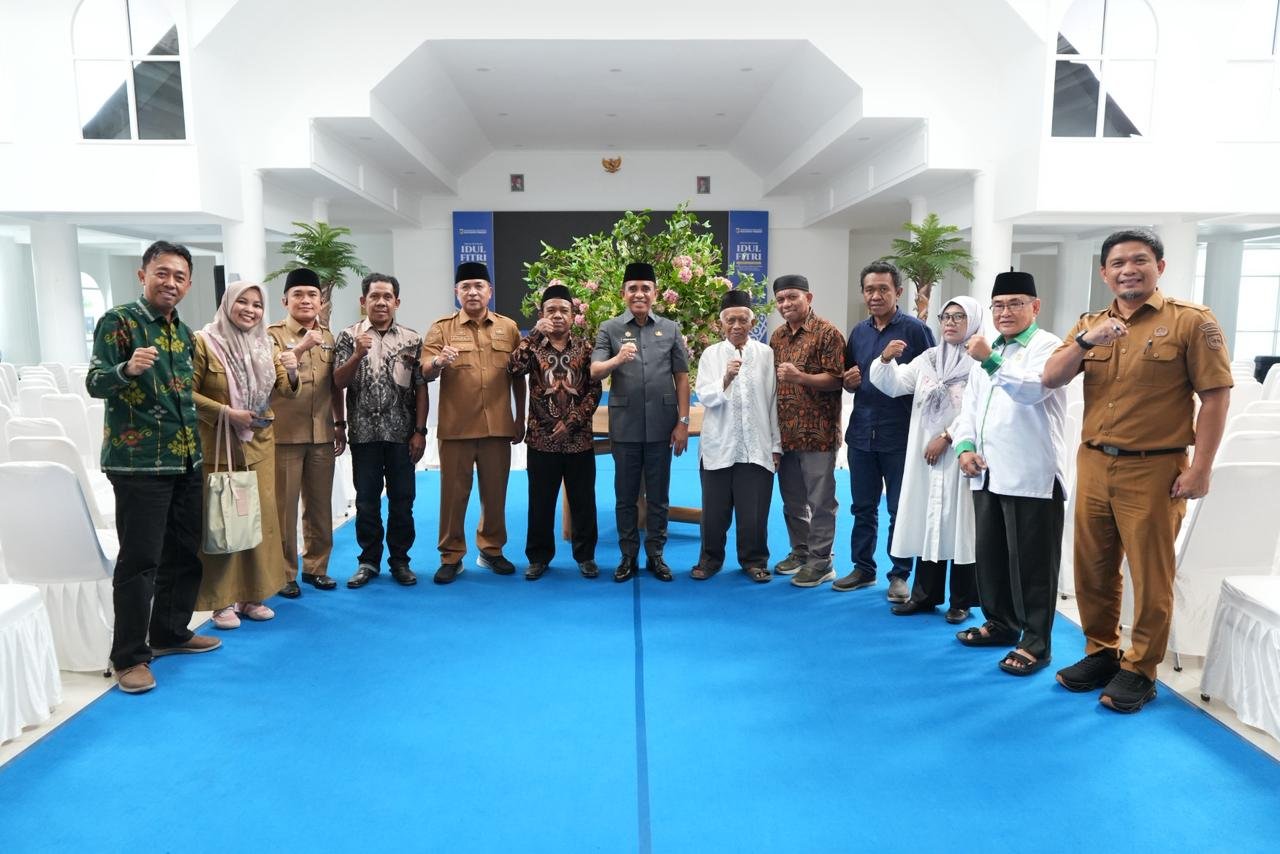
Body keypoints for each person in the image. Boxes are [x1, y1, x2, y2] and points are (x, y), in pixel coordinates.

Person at [1043, 228, 1232, 713]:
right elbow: (1051, 376)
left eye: (1140, 260)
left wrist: (1202, 468)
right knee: (1092, 568)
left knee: (1150, 574)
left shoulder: (1191, 321)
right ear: (1105, 273)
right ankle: (1100, 652)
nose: (1129, 269)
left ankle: (1141, 669)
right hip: (1094, 461)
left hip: (1155, 467)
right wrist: (1086, 341)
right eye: (1118, 263)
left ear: (1159, 267)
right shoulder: (1090, 324)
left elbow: (1215, 397)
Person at [87, 240, 220, 694]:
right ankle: (129, 656)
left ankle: (169, 632)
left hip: (185, 458)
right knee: (141, 561)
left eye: (180, 276)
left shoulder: (182, 332)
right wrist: (126, 369)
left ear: (188, 284)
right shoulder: (120, 321)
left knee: (184, 552)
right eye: (162, 273)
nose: (171, 282)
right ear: (143, 275)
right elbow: (94, 381)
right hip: (139, 463)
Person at [951, 271, 1067, 677]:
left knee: (1033, 566)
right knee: (992, 557)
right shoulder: (990, 347)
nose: (1005, 312)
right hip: (986, 470)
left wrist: (989, 359)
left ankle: (1036, 643)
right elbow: (969, 406)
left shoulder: (1048, 346)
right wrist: (964, 446)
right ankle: (1001, 623)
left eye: (1015, 303)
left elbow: (1034, 390)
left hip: (1031, 475)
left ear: (1035, 307)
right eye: (998, 305)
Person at [191, 281, 299, 628]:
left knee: (259, 521)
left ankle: (253, 596)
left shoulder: (266, 343)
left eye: (257, 304)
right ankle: (221, 601)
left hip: (259, 446)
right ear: (227, 304)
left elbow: (285, 388)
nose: (250, 310)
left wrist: (292, 369)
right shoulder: (204, 342)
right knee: (222, 522)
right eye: (243, 302)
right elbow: (186, 394)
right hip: (220, 448)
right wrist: (225, 412)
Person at [868, 296, 982, 622]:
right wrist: (886, 360)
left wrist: (947, 436)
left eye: (959, 317)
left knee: (960, 525)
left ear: (973, 321)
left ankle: (961, 601)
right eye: (946, 316)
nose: (950, 322)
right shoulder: (929, 359)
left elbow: (979, 409)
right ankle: (925, 595)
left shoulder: (979, 363)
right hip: (925, 456)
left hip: (961, 454)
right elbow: (894, 385)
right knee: (930, 521)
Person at [835, 261, 935, 603]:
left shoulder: (916, 331)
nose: (875, 296)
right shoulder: (858, 332)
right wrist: (847, 382)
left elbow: (934, 377)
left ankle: (899, 574)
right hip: (861, 433)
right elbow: (851, 377)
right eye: (869, 290)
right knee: (862, 507)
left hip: (900, 435)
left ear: (898, 292)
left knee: (898, 509)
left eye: (883, 289)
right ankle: (863, 568)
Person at [421, 261, 526, 583]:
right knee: (453, 498)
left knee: (495, 495)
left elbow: (518, 375)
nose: (472, 292)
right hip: (457, 428)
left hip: (497, 427)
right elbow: (424, 370)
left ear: (489, 291)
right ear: (457, 292)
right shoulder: (442, 328)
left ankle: (491, 550)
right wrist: (438, 361)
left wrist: (520, 417)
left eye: (479, 286)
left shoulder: (508, 328)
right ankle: (451, 556)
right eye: (465, 287)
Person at [591, 261, 690, 582]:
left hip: (663, 425)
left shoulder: (671, 329)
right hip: (626, 426)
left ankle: (656, 554)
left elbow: (682, 377)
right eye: (632, 288)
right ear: (623, 293)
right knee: (626, 496)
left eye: (645, 288)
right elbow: (595, 371)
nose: (639, 294)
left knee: (659, 496)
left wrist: (683, 422)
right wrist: (618, 358)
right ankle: (628, 555)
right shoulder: (609, 328)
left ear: (655, 294)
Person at [334, 273, 428, 588]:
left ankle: (400, 561)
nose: (381, 302)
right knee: (366, 502)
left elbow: (420, 388)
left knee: (403, 500)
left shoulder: (412, 339)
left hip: (402, 435)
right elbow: (337, 383)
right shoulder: (348, 336)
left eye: (387, 297)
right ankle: (368, 561)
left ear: (397, 302)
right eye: (374, 296)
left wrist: (420, 431)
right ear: (363, 301)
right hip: (364, 435)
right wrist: (357, 354)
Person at [506, 283, 602, 580]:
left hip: (579, 440)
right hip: (541, 440)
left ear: (573, 316)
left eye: (564, 310)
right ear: (541, 315)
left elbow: (594, 390)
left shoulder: (586, 348)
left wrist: (572, 420)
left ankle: (585, 556)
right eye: (551, 311)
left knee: (583, 501)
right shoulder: (533, 346)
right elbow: (512, 368)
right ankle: (538, 557)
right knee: (540, 503)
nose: (557, 315)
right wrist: (534, 334)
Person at [267, 268, 346, 598]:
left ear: (321, 301)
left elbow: (334, 386)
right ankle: (285, 574)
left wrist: (340, 424)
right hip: (285, 435)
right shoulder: (272, 336)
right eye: (298, 294)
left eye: (312, 295)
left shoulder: (328, 336)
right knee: (283, 510)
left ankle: (317, 567)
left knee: (319, 507)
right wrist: (300, 346)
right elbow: (272, 379)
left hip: (321, 435)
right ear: (285, 300)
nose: (305, 300)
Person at [692, 290, 781, 583]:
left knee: (754, 512)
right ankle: (710, 560)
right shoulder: (711, 354)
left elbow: (772, 402)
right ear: (721, 324)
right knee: (714, 512)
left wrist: (776, 446)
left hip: (756, 446)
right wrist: (726, 379)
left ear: (752, 322)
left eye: (743, 320)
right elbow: (704, 396)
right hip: (719, 446)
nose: (737, 326)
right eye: (730, 320)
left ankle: (754, 561)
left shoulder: (766, 354)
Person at [767, 274, 846, 588]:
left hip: (818, 433)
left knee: (820, 501)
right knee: (793, 500)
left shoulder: (828, 333)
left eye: (792, 297)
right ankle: (800, 551)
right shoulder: (777, 337)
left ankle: (821, 561)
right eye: (780, 299)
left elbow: (837, 379)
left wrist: (801, 377)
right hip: (786, 433)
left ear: (808, 298)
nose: (786, 304)